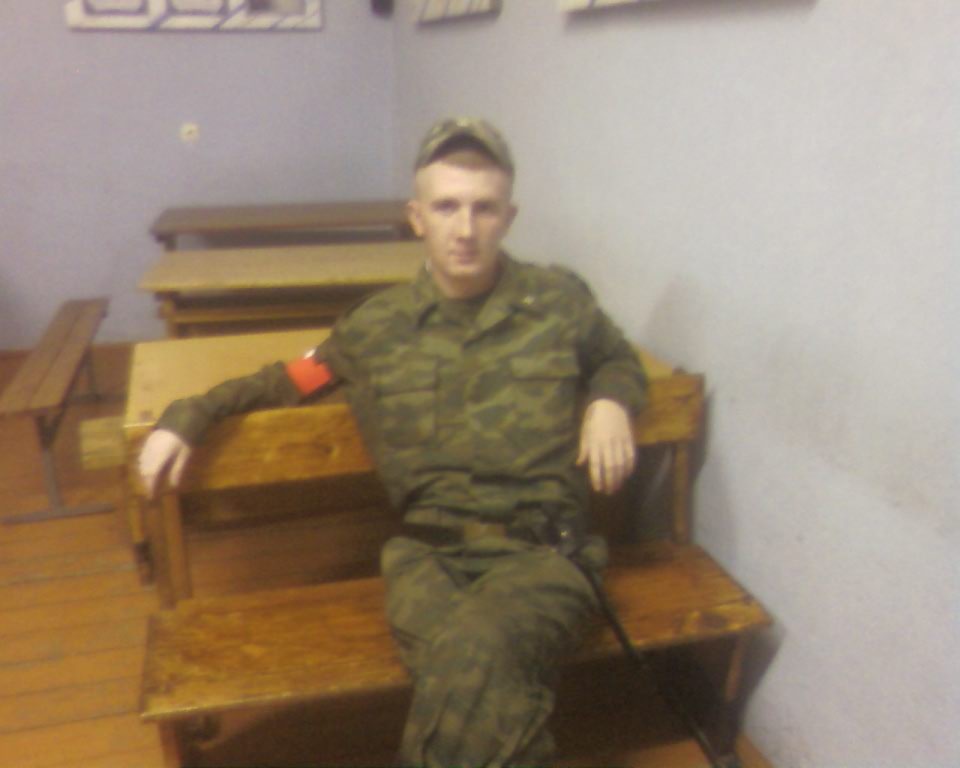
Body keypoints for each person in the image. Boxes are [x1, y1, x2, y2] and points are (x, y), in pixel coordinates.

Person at [139, 117, 648, 767]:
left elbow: (617, 358)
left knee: (476, 654)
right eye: (446, 207)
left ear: (510, 216)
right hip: (427, 561)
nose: (465, 229)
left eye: (484, 208)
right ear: (416, 217)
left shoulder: (559, 303)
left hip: (544, 555)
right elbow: (286, 381)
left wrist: (610, 400)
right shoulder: (374, 329)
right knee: (480, 674)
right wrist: (189, 414)